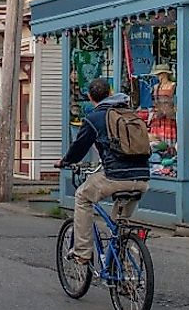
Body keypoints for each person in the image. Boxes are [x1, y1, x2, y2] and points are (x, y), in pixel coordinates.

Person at [56, 77, 150, 265]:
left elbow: (80, 147)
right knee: (119, 225)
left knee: (82, 196)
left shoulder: (95, 118)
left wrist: (65, 161)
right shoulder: (129, 113)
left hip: (116, 176)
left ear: (91, 97)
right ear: (110, 93)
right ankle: (121, 269)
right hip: (142, 177)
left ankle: (82, 252)